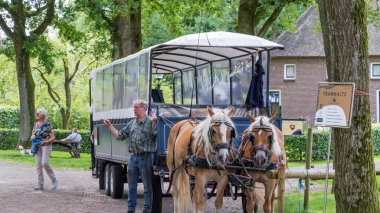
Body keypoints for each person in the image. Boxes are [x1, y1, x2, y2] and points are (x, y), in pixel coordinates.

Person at [102, 99, 157, 213]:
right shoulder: (132, 123)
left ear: (144, 108)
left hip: (146, 158)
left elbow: (157, 134)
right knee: (132, 188)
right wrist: (110, 126)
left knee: (147, 188)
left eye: (137, 107)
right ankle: (130, 210)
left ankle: (147, 210)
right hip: (133, 158)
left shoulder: (151, 122)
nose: (134, 109)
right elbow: (120, 136)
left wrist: (156, 121)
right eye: (134, 107)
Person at [30, 109, 58, 190]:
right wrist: (32, 137)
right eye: (36, 113)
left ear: (43, 115)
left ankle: (54, 181)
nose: (36, 114)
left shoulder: (48, 124)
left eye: (38, 113)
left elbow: (53, 138)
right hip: (37, 145)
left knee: (44, 163)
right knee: (38, 165)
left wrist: (45, 142)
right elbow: (33, 134)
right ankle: (40, 184)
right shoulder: (36, 124)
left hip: (46, 145)